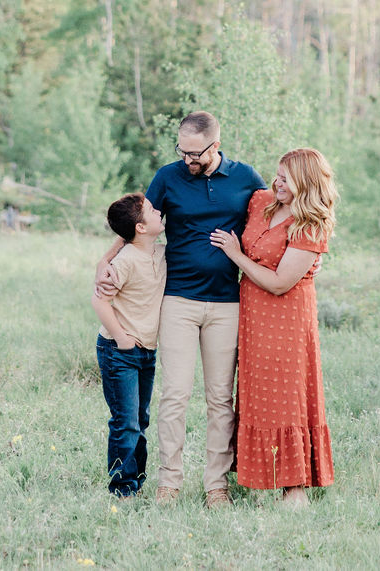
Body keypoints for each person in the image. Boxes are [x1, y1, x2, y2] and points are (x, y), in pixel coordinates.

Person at [96, 112, 266, 507]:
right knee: (174, 394)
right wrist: (104, 261)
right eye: (182, 150)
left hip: (227, 303)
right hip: (178, 301)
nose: (187, 159)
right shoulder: (168, 177)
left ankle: (216, 486)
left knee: (220, 398)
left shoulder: (246, 178)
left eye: (195, 153)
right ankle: (168, 482)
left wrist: (309, 256)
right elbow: (135, 226)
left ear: (216, 145)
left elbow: (272, 218)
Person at [209, 147, 337, 506]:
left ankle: (294, 487)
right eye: (277, 175)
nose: (276, 182)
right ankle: (255, 476)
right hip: (253, 316)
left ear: (305, 183)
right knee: (257, 395)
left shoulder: (309, 226)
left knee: (288, 396)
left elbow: (281, 282)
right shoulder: (261, 201)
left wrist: (235, 255)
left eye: (285, 178)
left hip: (287, 318)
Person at [91, 192, 166, 498]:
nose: (158, 210)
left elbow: (124, 237)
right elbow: (99, 300)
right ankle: (122, 488)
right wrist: (121, 337)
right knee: (126, 422)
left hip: (147, 350)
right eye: (151, 209)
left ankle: (137, 480)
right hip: (118, 351)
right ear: (140, 227)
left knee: (141, 419)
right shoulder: (126, 261)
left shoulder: (159, 253)